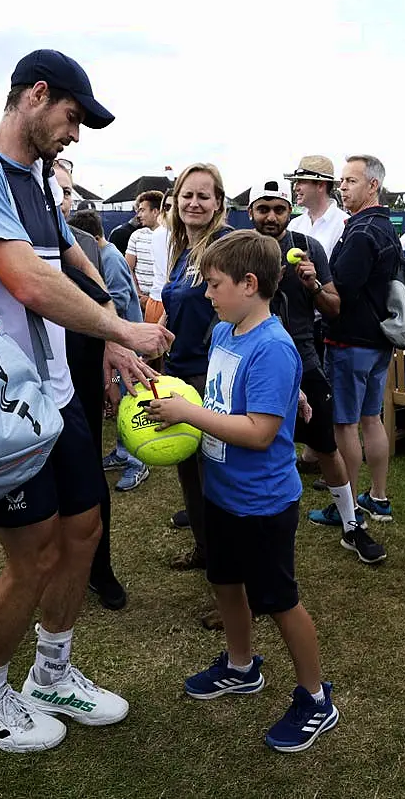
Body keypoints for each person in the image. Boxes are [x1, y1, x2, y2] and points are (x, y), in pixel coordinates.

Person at [0, 49, 173, 753]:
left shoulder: (40, 178)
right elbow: (25, 282)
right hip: (2, 401)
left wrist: (109, 337)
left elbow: (70, 256)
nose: (74, 135)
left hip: (58, 396)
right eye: (71, 117)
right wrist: (123, 325)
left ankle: (51, 673)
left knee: (84, 532)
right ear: (36, 95)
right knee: (33, 555)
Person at [146, 229, 339, 753]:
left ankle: (316, 697)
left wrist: (189, 414)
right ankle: (240, 666)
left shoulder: (273, 347)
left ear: (249, 284)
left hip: (262, 502)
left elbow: (257, 432)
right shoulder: (227, 330)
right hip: (222, 492)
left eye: (213, 285)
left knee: (278, 600)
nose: (206, 295)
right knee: (225, 581)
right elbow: (229, 395)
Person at [248, 178, 386, 564]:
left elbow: (334, 307)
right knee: (252, 446)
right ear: (251, 212)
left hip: (304, 360)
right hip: (254, 365)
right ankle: (247, 522)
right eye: (264, 209)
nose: (272, 217)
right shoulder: (239, 251)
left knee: (326, 445)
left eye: (279, 209)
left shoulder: (307, 248)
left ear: (288, 211)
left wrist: (311, 285)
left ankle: (351, 524)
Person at [310, 155, 399, 532]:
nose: (342, 187)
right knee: (372, 419)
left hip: (350, 342)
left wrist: (314, 283)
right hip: (379, 340)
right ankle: (378, 498)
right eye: (342, 181)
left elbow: (339, 291)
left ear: (372, 186)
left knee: (345, 426)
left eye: (349, 181)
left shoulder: (361, 232)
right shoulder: (384, 227)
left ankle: (349, 507)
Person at [53, 161, 126, 610]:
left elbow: (104, 311)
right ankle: (48, 566)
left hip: (80, 370)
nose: (64, 199)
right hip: (30, 379)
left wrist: (110, 359)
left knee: (89, 474)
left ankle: (100, 568)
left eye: (66, 191)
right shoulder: (6, 241)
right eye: (57, 190)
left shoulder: (83, 246)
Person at [160, 163, 232, 577]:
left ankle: (230, 573)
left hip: (211, 376)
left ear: (219, 203)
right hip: (179, 373)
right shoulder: (183, 248)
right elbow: (180, 307)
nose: (194, 203)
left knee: (216, 478)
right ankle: (206, 551)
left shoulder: (223, 245)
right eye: (187, 194)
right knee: (189, 470)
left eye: (204, 196)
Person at [70, 209, 150, 493]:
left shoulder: (110, 258)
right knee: (117, 400)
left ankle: (138, 462)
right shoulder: (103, 255)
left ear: (91, 238)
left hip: (126, 348)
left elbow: (116, 299)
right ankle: (121, 450)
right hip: (112, 348)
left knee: (130, 401)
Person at [285, 155, 349, 475]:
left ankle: (325, 454)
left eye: (302, 182)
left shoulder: (342, 224)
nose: (296, 188)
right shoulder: (295, 224)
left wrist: (316, 286)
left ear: (320, 185)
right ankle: (312, 454)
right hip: (300, 324)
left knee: (325, 392)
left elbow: (342, 284)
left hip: (330, 320)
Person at [125, 190, 162, 313]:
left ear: (155, 212)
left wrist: (154, 299)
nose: (138, 215)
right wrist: (139, 295)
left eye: (142, 210)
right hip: (139, 302)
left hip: (162, 302)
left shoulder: (172, 237)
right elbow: (128, 268)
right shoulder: (136, 236)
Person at [144, 190, 172, 325]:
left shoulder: (158, 233)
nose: (171, 212)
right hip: (162, 300)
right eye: (167, 207)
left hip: (159, 299)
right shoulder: (161, 234)